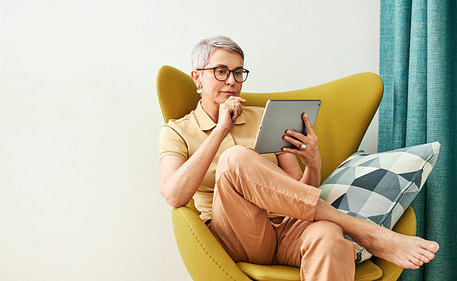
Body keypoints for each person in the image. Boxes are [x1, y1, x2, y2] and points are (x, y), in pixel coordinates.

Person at [159, 36, 439, 280]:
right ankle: (366, 231)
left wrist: (314, 163)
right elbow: (174, 196)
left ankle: (347, 228)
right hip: (238, 234)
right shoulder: (177, 131)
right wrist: (221, 131)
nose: (231, 81)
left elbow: (299, 190)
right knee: (235, 158)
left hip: (287, 229)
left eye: (238, 72)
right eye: (220, 71)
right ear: (197, 77)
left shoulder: (262, 117)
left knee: (330, 236)